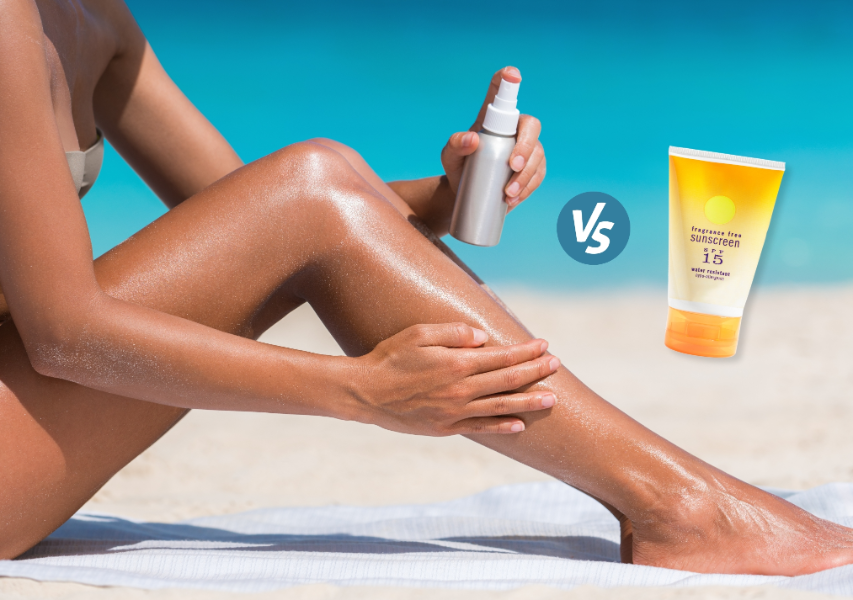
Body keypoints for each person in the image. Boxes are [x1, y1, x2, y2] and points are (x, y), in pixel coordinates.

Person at [2, 0, 852, 574]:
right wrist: (358, 392)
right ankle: (685, 510)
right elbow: (62, 332)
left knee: (321, 174)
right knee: (316, 176)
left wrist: (441, 201)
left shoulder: (89, 18)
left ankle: (681, 503)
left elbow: (245, 218)